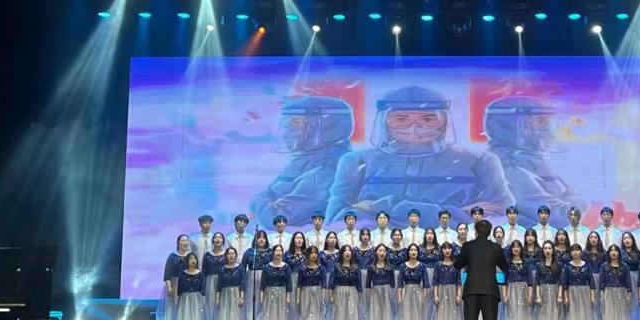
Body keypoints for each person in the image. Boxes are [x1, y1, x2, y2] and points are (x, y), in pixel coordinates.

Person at [326, 86, 514, 224]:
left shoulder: (480, 161)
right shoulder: (356, 161)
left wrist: (376, 207)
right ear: (385, 122)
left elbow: (497, 220)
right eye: (401, 119)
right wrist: (454, 214)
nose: (415, 127)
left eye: (428, 119)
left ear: (444, 121)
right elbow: (337, 222)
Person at [249, 95, 354, 227]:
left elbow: (276, 218)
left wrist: (257, 203)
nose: (287, 133)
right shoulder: (306, 161)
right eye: (286, 124)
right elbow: (271, 193)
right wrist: (262, 204)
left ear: (326, 126)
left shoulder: (328, 169)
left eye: (296, 123)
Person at [483, 95, 583, 223]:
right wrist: (580, 201)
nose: (550, 129)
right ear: (514, 127)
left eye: (548, 122)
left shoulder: (529, 163)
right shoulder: (510, 169)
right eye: (541, 122)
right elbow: (561, 217)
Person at [453, 219, 509, 320]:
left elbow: (458, 264)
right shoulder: (496, 248)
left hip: (471, 290)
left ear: (476, 231)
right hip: (490, 291)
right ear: (490, 232)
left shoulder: (467, 246)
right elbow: (505, 266)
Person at [161, 252, 208, 320]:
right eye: (191, 258)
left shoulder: (200, 274)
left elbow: (203, 290)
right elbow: (179, 290)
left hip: (196, 300)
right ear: (187, 261)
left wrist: (202, 301)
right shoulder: (182, 274)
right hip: (185, 300)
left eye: (194, 258)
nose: (193, 260)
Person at [559, 244, 597, 320]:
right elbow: (565, 283)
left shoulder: (587, 266)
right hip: (572, 292)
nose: (575, 252)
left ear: (581, 252)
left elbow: (591, 282)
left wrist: (592, 296)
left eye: (577, 250)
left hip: (584, 292)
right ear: (570, 253)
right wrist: (566, 297)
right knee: (573, 318)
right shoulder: (567, 266)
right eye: (573, 250)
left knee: (584, 318)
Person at [501, 240, 537, 320]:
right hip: (511, 291)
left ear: (521, 249)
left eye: (518, 247)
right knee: (512, 317)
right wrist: (505, 295)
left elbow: (530, 281)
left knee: (524, 317)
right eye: (514, 247)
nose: (516, 249)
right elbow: (504, 282)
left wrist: (530, 295)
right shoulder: (508, 264)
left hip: (523, 291)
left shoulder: (526, 264)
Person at [327, 245, 364, 320]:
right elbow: (331, 283)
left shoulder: (356, 268)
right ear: (342, 254)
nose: (347, 253)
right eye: (345, 251)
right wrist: (331, 296)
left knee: (352, 318)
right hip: (340, 292)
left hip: (352, 293)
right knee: (340, 318)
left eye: (349, 251)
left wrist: (359, 298)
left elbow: (359, 285)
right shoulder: (336, 267)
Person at [428, 242, 463, 320]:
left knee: (453, 317)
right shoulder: (438, 265)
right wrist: (436, 295)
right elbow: (435, 281)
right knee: (441, 317)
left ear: (452, 250)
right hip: (442, 292)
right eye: (444, 248)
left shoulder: (456, 264)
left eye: (449, 248)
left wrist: (459, 295)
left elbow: (459, 282)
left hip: (452, 292)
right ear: (441, 251)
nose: (447, 251)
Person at [290, 246, 326, 320]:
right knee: (305, 317)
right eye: (311, 253)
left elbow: (323, 284)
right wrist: (298, 298)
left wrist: (323, 297)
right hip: (305, 293)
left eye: (315, 253)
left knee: (316, 318)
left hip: (317, 293)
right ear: (307, 255)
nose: (314, 255)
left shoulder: (321, 268)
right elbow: (299, 284)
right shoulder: (302, 268)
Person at [257, 245, 292, 320]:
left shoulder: (286, 267)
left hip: (282, 293)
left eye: (280, 251)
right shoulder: (267, 267)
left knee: (281, 318)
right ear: (272, 253)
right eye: (276, 250)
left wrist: (288, 296)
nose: (278, 253)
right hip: (269, 293)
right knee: (269, 318)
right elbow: (262, 283)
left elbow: (289, 283)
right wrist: (262, 296)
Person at [213, 247, 248, 320]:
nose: (231, 255)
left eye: (233, 253)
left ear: (236, 255)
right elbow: (219, 285)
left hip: (236, 294)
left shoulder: (240, 268)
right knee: (225, 317)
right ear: (226, 256)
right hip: (225, 295)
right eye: (229, 254)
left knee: (236, 318)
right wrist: (217, 298)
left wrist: (241, 297)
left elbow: (243, 283)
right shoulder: (222, 269)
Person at [599, 245, 633, 320]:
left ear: (619, 253)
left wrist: (629, 295)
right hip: (609, 293)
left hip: (621, 293)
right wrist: (602, 295)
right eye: (611, 251)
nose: (613, 253)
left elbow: (628, 282)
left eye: (616, 251)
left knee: (621, 319)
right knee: (609, 318)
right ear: (608, 253)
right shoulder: (604, 266)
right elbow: (601, 282)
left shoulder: (625, 266)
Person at [397, 244, 431, 320]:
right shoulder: (402, 266)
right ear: (408, 252)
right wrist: (399, 296)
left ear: (418, 252)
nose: (413, 252)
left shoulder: (422, 266)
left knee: (417, 317)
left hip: (418, 292)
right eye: (411, 250)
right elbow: (400, 283)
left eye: (415, 250)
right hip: (407, 292)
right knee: (407, 317)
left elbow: (426, 283)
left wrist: (424, 296)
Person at [534, 241, 564, 320]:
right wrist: (538, 296)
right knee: (543, 318)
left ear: (553, 251)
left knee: (555, 317)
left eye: (549, 248)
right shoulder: (539, 265)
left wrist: (560, 295)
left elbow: (561, 281)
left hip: (555, 291)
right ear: (543, 250)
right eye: (545, 248)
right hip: (543, 291)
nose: (547, 251)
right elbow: (537, 281)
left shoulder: (558, 264)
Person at [367, 244, 398, 320]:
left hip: (387, 292)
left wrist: (392, 296)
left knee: (387, 317)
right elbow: (368, 284)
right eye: (379, 250)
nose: (381, 253)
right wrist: (369, 294)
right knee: (376, 317)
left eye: (384, 251)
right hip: (375, 292)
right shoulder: (371, 267)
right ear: (376, 252)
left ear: (386, 253)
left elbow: (393, 284)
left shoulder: (390, 267)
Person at [161, 234, 192, 320]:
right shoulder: (172, 256)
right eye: (182, 240)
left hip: (188, 284)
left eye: (186, 240)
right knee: (174, 307)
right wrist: (169, 286)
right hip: (175, 284)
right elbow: (167, 273)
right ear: (178, 243)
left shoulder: (191, 256)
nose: (185, 242)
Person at [202, 232, 228, 320]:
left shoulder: (227, 254)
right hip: (210, 282)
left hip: (223, 282)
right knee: (211, 303)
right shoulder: (207, 255)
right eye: (216, 237)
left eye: (220, 237)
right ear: (212, 240)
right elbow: (204, 271)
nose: (218, 239)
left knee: (223, 304)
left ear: (223, 240)